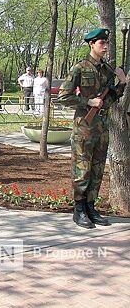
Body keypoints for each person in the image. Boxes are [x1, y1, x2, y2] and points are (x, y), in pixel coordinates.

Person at [57, 27, 126, 229]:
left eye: (106, 43)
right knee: (82, 170)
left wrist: (121, 82)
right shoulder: (80, 68)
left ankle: (91, 207)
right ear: (91, 44)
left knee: (97, 170)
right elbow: (63, 97)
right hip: (84, 127)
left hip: (102, 128)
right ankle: (79, 210)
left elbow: (111, 99)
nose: (105, 47)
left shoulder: (106, 70)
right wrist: (88, 102)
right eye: (101, 43)